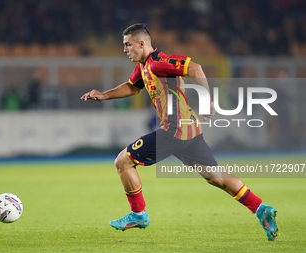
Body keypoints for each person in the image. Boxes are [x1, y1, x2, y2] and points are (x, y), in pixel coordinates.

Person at [81, 24, 278, 241]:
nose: (125, 50)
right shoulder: (144, 66)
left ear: (142, 44)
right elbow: (132, 87)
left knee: (123, 162)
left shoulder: (159, 62)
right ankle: (261, 209)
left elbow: (196, 68)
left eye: (128, 45)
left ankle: (138, 214)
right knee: (216, 179)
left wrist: (206, 101)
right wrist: (103, 95)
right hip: (189, 131)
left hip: (174, 131)